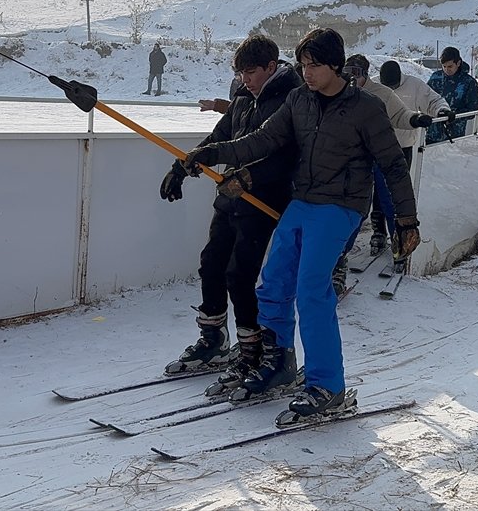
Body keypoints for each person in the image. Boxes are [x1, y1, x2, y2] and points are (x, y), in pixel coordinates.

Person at [182, 28, 420, 420]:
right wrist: (210, 151)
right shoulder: (298, 100)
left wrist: (406, 220)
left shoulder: (365, 108)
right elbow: (260, 140)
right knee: (272, 285)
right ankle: (279, 363)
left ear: (336, 66)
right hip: (302, 201)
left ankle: (328, 385)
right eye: (303, 65)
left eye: (315, 65)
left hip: (340, 207)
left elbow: (393, 165)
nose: (306, 73)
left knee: (311, 290)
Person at [158, 35, 302, 394]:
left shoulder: (289, 99)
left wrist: (251, 177)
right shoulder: (241, 97)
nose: (244, 79)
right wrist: (184, 165)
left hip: (262, 200)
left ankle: (253, 351)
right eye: (240, 73)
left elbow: (286, 155)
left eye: (250, 72)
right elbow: (219, 136)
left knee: (241, 275)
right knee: (211, 264)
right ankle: (213, 338)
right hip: (230, 197)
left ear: (271, 67)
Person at [333, 54, 434, 287]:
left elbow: (400, 114)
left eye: (356, 72)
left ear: (366, 74)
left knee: (389, 202)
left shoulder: (380, 94)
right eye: (347, 71)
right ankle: (339, 254)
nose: (351, 77)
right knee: (354, 209)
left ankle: (399, 246)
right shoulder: (338, 92)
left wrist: (416, 119)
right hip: (353, 160)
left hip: (379, 154)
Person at [375, 60, 449, 252]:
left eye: (393, 85)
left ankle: (397, 233)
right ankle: (378, 231)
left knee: (397, 192)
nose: (390, 89)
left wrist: (442, 111)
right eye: (387, 86)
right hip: (376, 148)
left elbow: (433, 100)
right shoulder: (375, 87)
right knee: (376, 191)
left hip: (402, 147)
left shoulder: (414, 85)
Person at [426, 46, 478, 144]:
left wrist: (453, 116)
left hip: (454, 135)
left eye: (450, 66)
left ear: (458, 63)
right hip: (432, 134)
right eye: (444, 66)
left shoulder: (469, 82)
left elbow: (473, 109)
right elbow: (425, 98)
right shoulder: (435, 77)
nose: (446, 69)